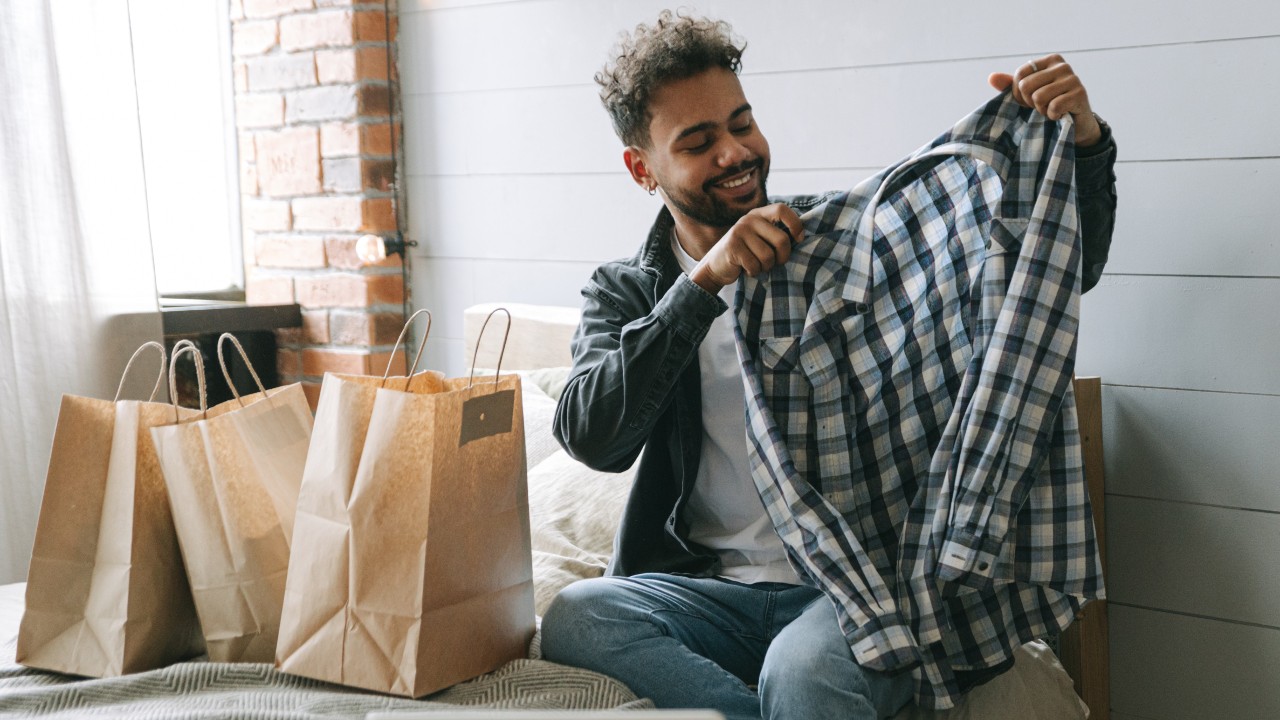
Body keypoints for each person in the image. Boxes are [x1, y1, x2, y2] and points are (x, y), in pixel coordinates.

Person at [542, 11, 1117, 720]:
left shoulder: (837, 252)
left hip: (848, 588)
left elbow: (1054, 271)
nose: (734, 152)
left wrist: (1082, 146)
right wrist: (704, 286)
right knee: (576, 614)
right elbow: (593, 435)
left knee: (803, 673)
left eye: (741, 124)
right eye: (698, 142)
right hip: (711, 592)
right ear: (643, 169)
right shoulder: (629, 292)